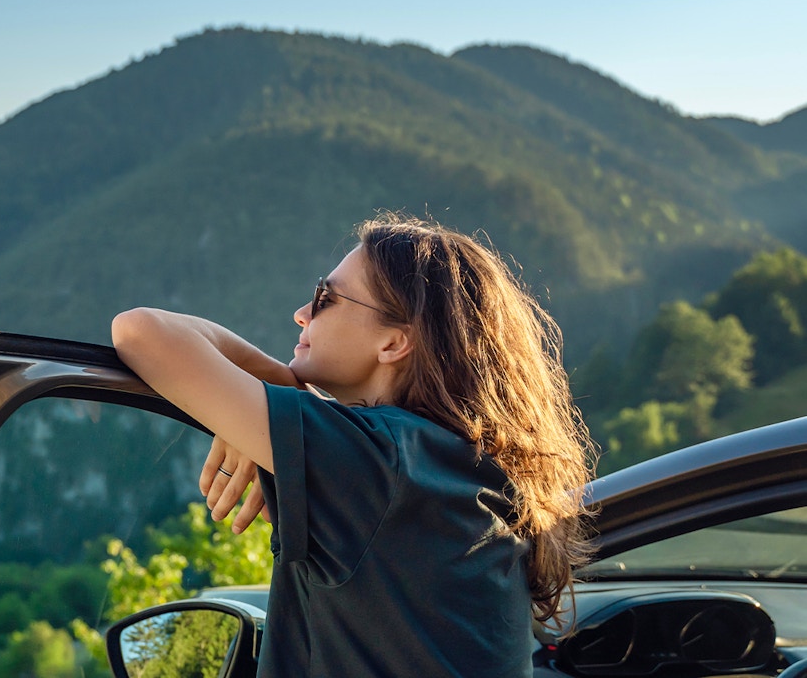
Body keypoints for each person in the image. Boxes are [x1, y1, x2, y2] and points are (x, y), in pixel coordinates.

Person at [111, 210, 594, 677]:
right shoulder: (459, 467)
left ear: (393, 343)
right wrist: (275, 406)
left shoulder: (379, 462)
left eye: (326, 298)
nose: (302, 314)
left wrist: (277, 394)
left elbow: (141, 333)